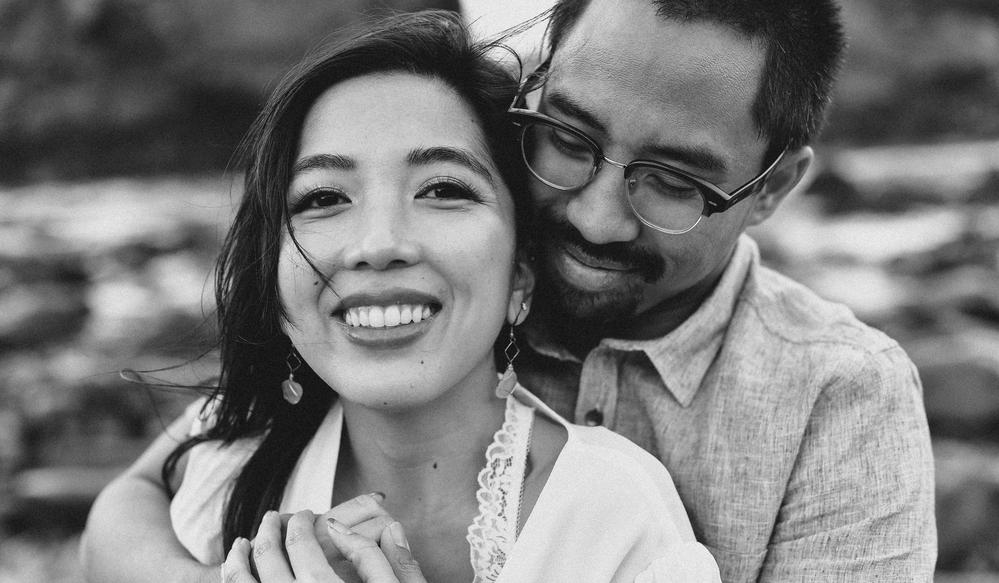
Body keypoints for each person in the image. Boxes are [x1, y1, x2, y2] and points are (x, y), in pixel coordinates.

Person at [81, 11, 721, 583]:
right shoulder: (237, 452)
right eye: (323, 197)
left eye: (443, 189)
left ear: (520, 274)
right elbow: (117, 517)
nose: (379, 243)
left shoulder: (615, 523)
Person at [511, 0, 937, 581]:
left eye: (672, 181)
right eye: (568, 139)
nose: (596, 220)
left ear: (773, 187)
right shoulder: (439, 308)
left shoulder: (840, 397)